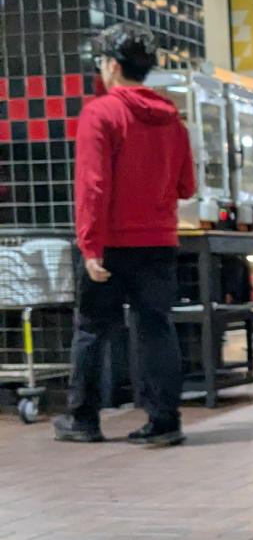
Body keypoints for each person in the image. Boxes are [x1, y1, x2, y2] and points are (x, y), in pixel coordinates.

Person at [54, 25, 195, 447]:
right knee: (155, 326)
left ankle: (83, 419)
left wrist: (90, 245)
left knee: (93, 329)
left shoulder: (101, 113)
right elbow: (186, 186)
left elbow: (92, 185)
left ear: (113, 66)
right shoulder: (172, 118)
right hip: (158, 242)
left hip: (112, 243)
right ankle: (164, 420)